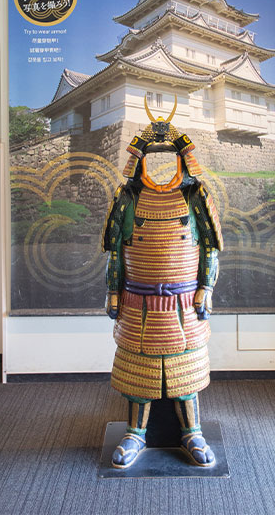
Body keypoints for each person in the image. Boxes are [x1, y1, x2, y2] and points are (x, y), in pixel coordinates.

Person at [102, 96, 223, 469]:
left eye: (168, 156)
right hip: (138, 301)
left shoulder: (195, 197)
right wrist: (112, 291)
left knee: (185, 370)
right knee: (139, 369)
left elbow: (210, 247)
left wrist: (206, 286)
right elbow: (117, 252)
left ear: (181, 159)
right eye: (152, 157)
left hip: (185, 301)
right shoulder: (128, 199)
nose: (160, 165)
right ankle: (135, 433)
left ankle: (192, 432)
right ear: (138, 160)